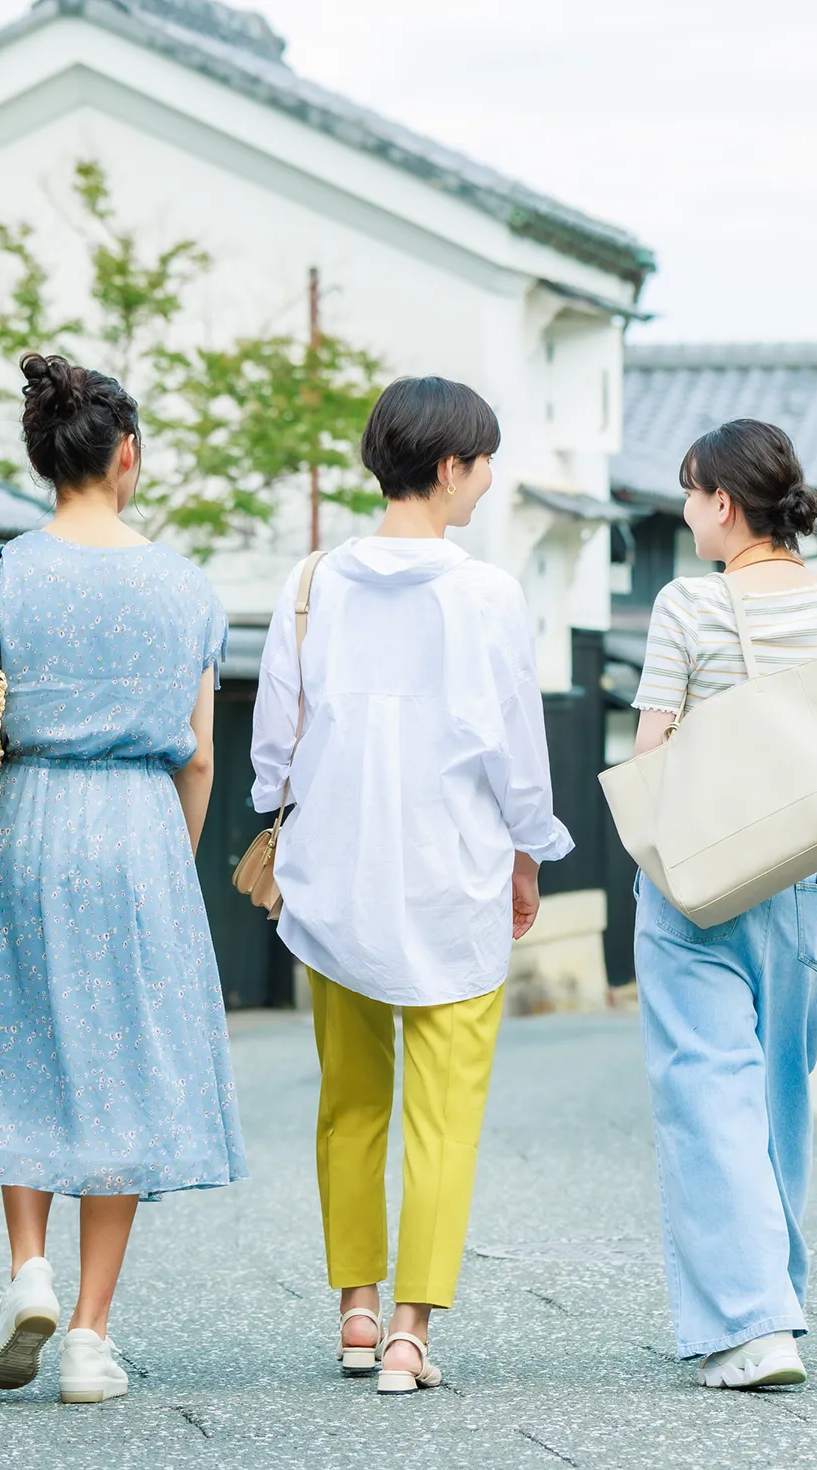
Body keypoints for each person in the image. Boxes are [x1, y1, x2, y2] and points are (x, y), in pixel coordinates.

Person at [0, 353, 245, 1404]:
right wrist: (169, 864)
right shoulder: (186, 587)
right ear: (125, 456)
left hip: (29, 825)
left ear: (45, 460)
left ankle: (27, 1269)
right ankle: (90, 1336)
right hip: (139, 830)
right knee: (125, 1068)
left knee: (22, 1046)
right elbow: (197, 756)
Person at [250, 375, 572, 1395]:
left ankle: (353, 1309)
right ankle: (407, 1334)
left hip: (332, 881)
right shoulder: (484, 595)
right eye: (480, 463)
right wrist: (529, 849)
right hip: (451, 878)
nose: (484, 481)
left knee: (349, 1106)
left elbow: (272, 752)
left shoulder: (309, 583)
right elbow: (516, 752)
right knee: (444, 1113)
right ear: (447, 468)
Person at [631, 418, 817, 1390]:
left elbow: (650, 752)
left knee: (705, 1087)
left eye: (688, 492)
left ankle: (750, 1324)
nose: (682, 510)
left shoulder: (684, 607)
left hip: (700, 876)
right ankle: (773, 1302)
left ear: (721, 502)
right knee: (778, 1096)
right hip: (810, 874)